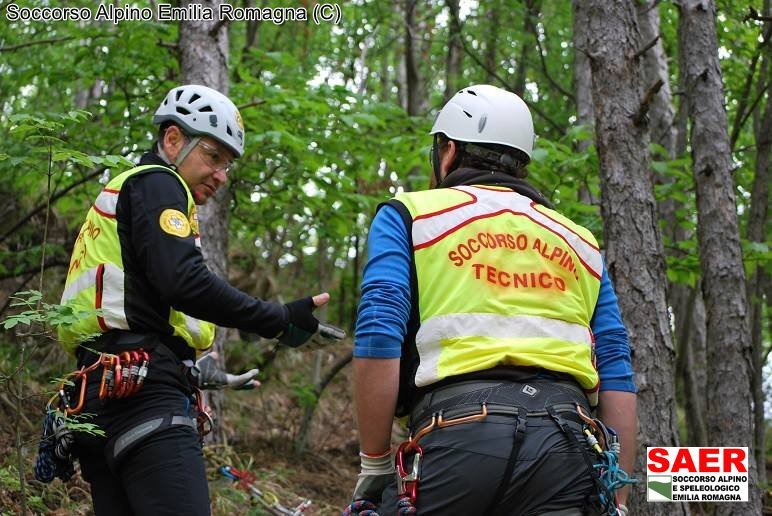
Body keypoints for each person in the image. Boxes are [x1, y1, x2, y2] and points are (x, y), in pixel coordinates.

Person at [346, 85, 637, 515]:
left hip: (456, 436)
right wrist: (619, 499)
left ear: (448, 150)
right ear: (521, 163)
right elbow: (615, 366)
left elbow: (378, 330)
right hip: (568, 449)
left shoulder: (411, 215)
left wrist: (374, 464)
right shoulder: (580, 241)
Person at [57, 84, 330, 515]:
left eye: (228, 164)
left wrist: (193, 368)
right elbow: (183, 282)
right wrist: (277, 318)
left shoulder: (123, 194)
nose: (221, 175)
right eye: (213, 156)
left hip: (96, 396)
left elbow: (132, 307)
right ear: (172, 140)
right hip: (142, 397)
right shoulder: (159, 183)